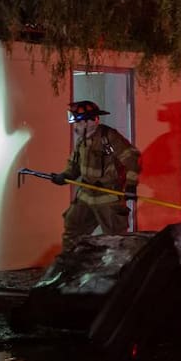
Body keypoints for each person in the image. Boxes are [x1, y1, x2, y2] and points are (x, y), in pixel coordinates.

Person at [52, 100, 142, 250]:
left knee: (115, 239)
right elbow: (74, 166)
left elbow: (132, 159)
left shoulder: (110, 137)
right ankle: (69, 266)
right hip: (85, 196)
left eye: (78, 123)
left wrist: (131, 186)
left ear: (90, 122)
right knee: (73, 232)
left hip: (108, 198)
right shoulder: (82, 141)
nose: (75, 127)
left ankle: (118, 270)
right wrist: (64, 176)